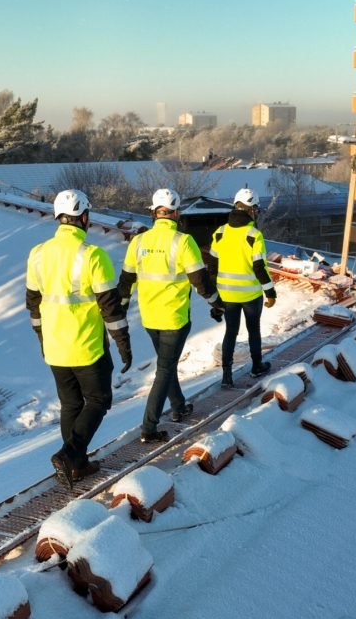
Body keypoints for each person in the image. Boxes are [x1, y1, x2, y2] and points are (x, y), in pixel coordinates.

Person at [26, 189, 132, 487]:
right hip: (87, 346)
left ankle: (78, 465)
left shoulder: (37, 254)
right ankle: (69, 454)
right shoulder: (93, 255)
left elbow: (33, 303)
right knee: (98, 400)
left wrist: (41, 336)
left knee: (70, 404)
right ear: (84, 217)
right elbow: (110, 306)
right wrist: (123, 343)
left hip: (54, 345)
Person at [118, 188, 223, 443]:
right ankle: (149, 427)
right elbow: (200, 281)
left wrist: (119, 310)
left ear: (154, 212)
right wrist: (217, 303)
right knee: (164, 370)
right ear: (176, 213)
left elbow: (126, 281)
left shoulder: (138, 242)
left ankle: (178, 406)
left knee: (167, 364)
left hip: (149, 317)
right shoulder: (183, 241)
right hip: (174, 318)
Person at [206, 187, 276, 388]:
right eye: (256, 209)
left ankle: (227, 377)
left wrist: (214, 297)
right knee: (253, 330)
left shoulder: (220, 233)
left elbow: (212, 266)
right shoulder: (254, 235)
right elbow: (259, 268)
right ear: (252, 210)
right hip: (251, 295)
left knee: (231, 331)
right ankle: (256, 367)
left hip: (227, 294)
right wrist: (270, 292)